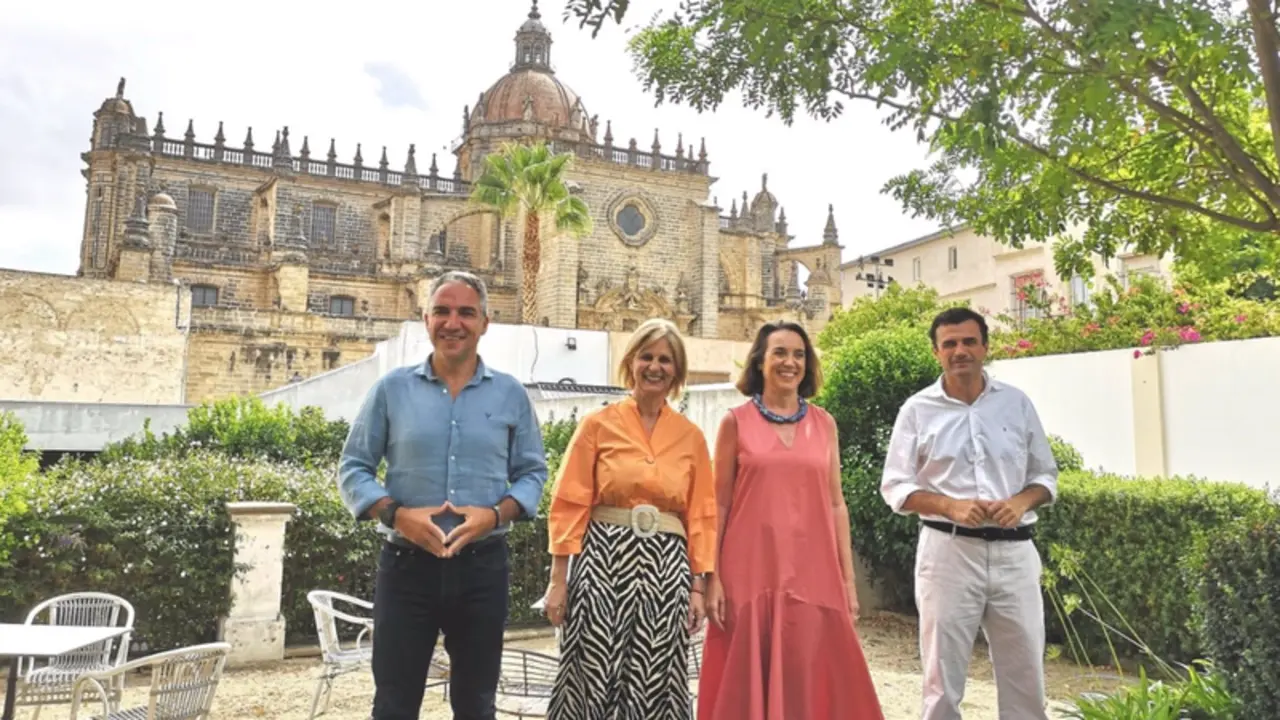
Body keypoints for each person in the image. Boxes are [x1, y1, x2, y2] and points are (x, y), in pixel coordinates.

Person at [337, 270, 549, 720]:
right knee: (394, 705)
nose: (454, 323)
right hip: (406, 568)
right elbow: (353, 468)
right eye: (443, 311)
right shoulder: (391, 390)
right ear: (426, 318)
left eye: (466, 312)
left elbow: (532, 474)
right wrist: (397, 515)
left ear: (485, 322)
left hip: (483, 568)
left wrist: (494, 516)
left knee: (476, 705)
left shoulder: (511, 394)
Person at [697, 320, 885, 720]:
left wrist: (848, 582)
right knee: (745, 677)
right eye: (779, 352)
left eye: (799, 354)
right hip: (749, 572)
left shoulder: (825, 424)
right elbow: (721, 505)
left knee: (817, 672)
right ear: (760, 362)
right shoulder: (735, 422)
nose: (790, 362)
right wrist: (712, 577)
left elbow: (837, 505)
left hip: (814, 572)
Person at [880, 307, 1059, 720]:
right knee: (942, 679)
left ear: (985, 347)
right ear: (936, 352)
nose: (960, 351)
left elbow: (1045, 476)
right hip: (948, 554)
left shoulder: (1016, 404)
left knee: (1027, 675)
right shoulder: (917, 410)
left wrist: (1020, 502)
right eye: (950, 344)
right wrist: (949, 505)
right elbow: (896, 486)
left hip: (1016, 557)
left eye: (969, 341)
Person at [542, 317, 716, 720]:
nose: (655, 367)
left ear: (677, 371)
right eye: (647, 356)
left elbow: (702, 516)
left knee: (655, 675)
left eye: (666, 360)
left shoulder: (691, 437)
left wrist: (697, 587)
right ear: (631, 362)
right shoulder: (597, 425)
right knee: (592, 669)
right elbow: (569, 502)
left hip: (666, 571)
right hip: (602, 561)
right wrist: (558, 581)